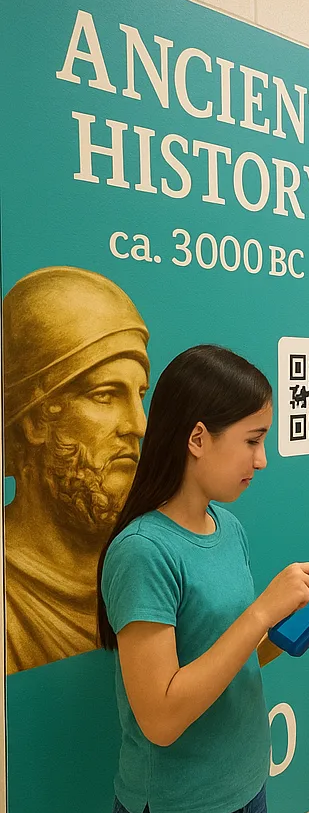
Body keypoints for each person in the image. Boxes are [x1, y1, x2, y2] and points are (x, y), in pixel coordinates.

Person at [98, 344, 309, 813]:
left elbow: (230, 659)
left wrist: (295, 624)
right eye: (251, 439)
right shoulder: (142, 551)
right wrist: (262, 610)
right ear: (196, 439)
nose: (262, 460)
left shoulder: (226, 526)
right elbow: (160, 715)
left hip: (244, 796)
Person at [3, 266, 151, 673]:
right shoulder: (9, 599)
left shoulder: (145, 562)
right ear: (34, 421)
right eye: (105, 395)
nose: (138, 424)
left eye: (140, 395)